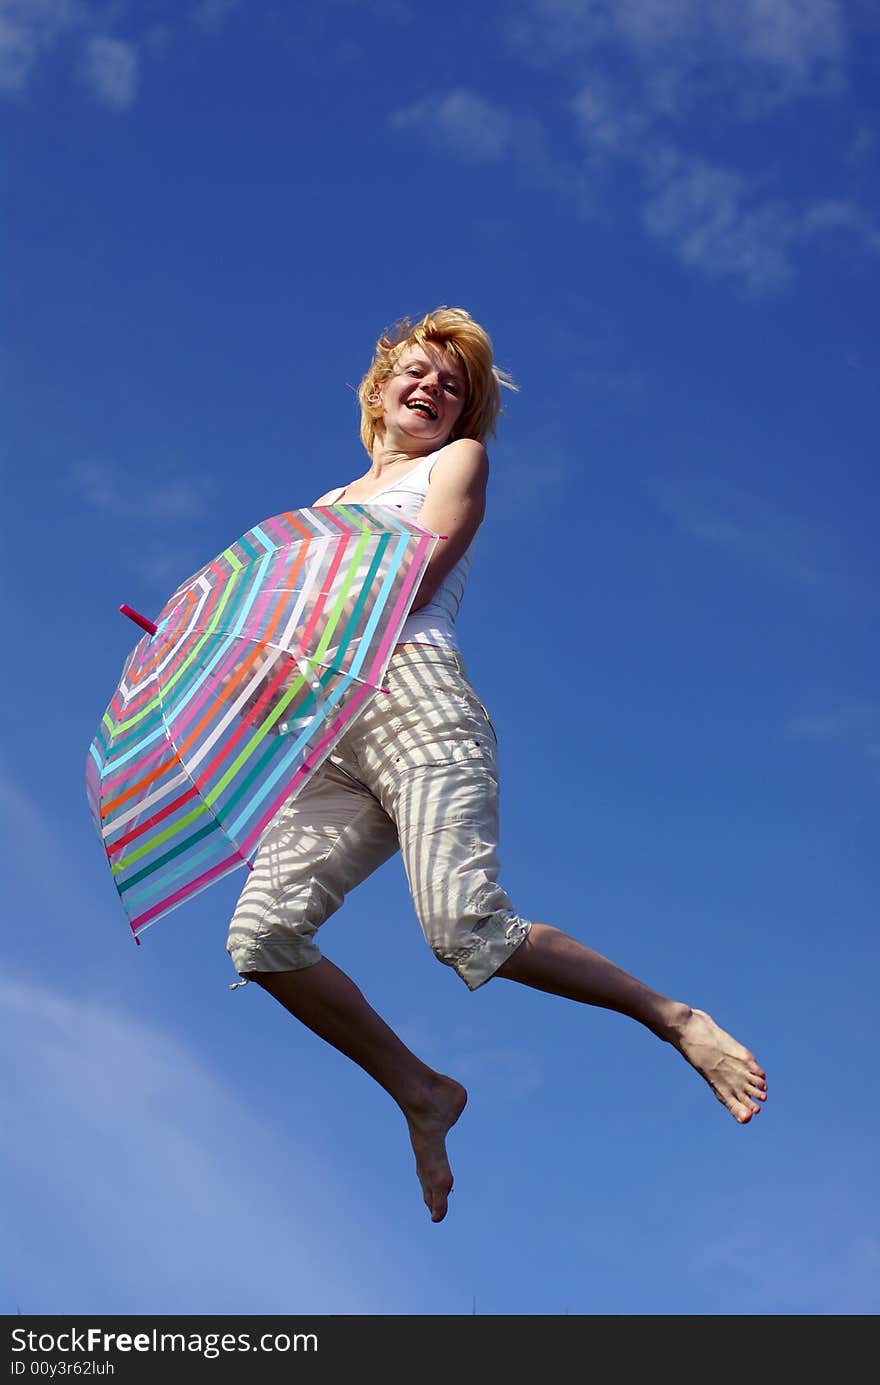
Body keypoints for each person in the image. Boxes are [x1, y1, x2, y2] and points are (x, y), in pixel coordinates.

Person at [226, 307, 767, 1223]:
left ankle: (671, 1016)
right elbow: (297, 647)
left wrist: (300, 639)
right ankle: (422, 1090)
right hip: (330, 738)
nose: (433, 389)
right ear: (379, 388)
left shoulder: (457, 466)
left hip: (417, 703)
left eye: (453, 385)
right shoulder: (320, 511)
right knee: (261, 938)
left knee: (463, 928)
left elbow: (416, 578)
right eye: (419, 373)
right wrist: (255, 671)